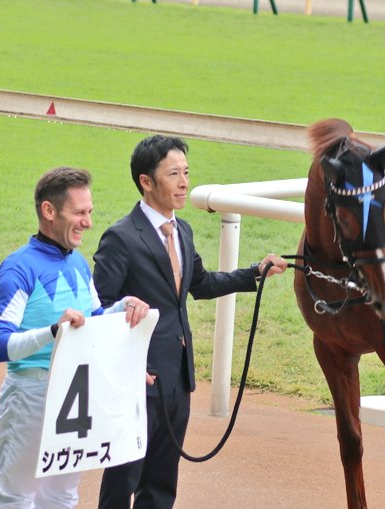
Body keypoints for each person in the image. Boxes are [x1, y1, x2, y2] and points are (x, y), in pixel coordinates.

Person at [95, 135, 287, 509]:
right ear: (146, 181)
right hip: (136, 379)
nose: (184, 182)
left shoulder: (182, 230)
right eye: (173, 174)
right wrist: (123, 362)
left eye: (186, 172)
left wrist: (255, 272)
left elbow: (200, 283)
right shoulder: (120, 237)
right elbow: (98, 307)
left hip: (177, 378)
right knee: (123, 480)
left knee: (161, 482)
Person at [0, 166, 150, 508]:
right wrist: (52, 332)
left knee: (62, 496)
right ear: (49, 211)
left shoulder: (77, 263)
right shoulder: (17, 269)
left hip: (75, 399)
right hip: (30, 397)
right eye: (79, 213)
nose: (88, 222)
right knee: (14, 497)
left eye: (89, 212)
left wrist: (122, 307)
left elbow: (92, 320)